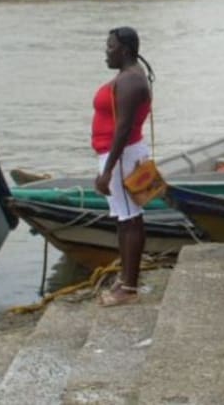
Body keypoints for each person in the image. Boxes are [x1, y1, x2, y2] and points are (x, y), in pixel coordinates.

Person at [93, 26, 155, 305]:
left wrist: (108, 171)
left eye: (110, 47)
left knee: (130, 219)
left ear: (125, 50)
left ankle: (128, 288)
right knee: (124, 217)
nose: (106, 52)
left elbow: (124, 127)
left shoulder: (130, 81)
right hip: (120, 154)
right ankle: (125, 277)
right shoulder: (128, 76)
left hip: (122, 155)